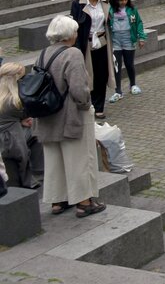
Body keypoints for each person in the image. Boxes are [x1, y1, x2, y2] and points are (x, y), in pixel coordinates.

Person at [39, 15, 104, 216]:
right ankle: (84, 202)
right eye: (75, 31)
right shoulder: (73, 53)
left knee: (54, 161)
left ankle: (58, 201)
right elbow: (78, 88)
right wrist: (87, 105)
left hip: (47, 115)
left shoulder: (43, 53)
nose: (77, 34)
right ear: (69, 34)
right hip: (70, 115)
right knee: (80, 159)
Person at [68, 0, 112, 119]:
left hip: (102, 42)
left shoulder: (104, 2)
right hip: (85, 43)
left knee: (101, 74)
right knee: (87, 74)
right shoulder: (78, 4)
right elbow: (74, 25)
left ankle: (99, 106)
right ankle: (87, 103)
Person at [0, 61, 43, 189]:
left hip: (6, 137)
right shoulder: (14, 101)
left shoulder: (4, 98)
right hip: (11, 140)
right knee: (37, 132)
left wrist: (20, 121)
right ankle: (38, 176)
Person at [106, 0, 146, 102]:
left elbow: (139, 23)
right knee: (116, 66)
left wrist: (141, 37)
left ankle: (133, 84)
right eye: (121, 0)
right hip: (116, 40)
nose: (124, 2)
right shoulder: (110, 10)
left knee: (129, 64)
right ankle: (118, 91)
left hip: (128, 39)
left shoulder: (132, 9)